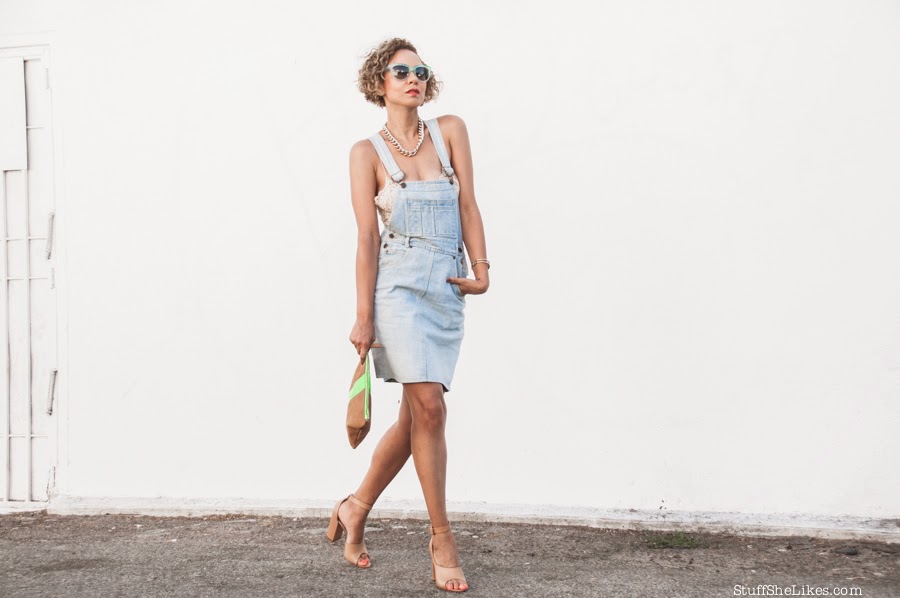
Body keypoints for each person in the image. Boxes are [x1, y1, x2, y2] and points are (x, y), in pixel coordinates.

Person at [325, 38, 490, 593]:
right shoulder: (365, 153)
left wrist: (482, 268)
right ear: (380, 83)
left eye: (420, 70)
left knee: (415, 418)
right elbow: (366, 240)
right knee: (431, 410)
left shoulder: (450, 131)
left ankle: (355, 506)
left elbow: (468, 204)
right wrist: (363, 316)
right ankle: (442, 538)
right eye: (401, 71)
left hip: (445, 287)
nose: (413, 78)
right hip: (396, 290)